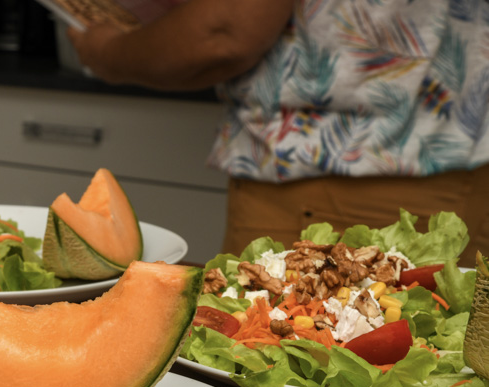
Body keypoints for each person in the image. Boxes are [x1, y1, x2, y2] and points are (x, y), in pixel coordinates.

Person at [66, 0, 489, 267]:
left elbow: (225, 31)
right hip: (455, 165)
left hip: (340, 180)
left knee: (284, 376)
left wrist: (108, 51)